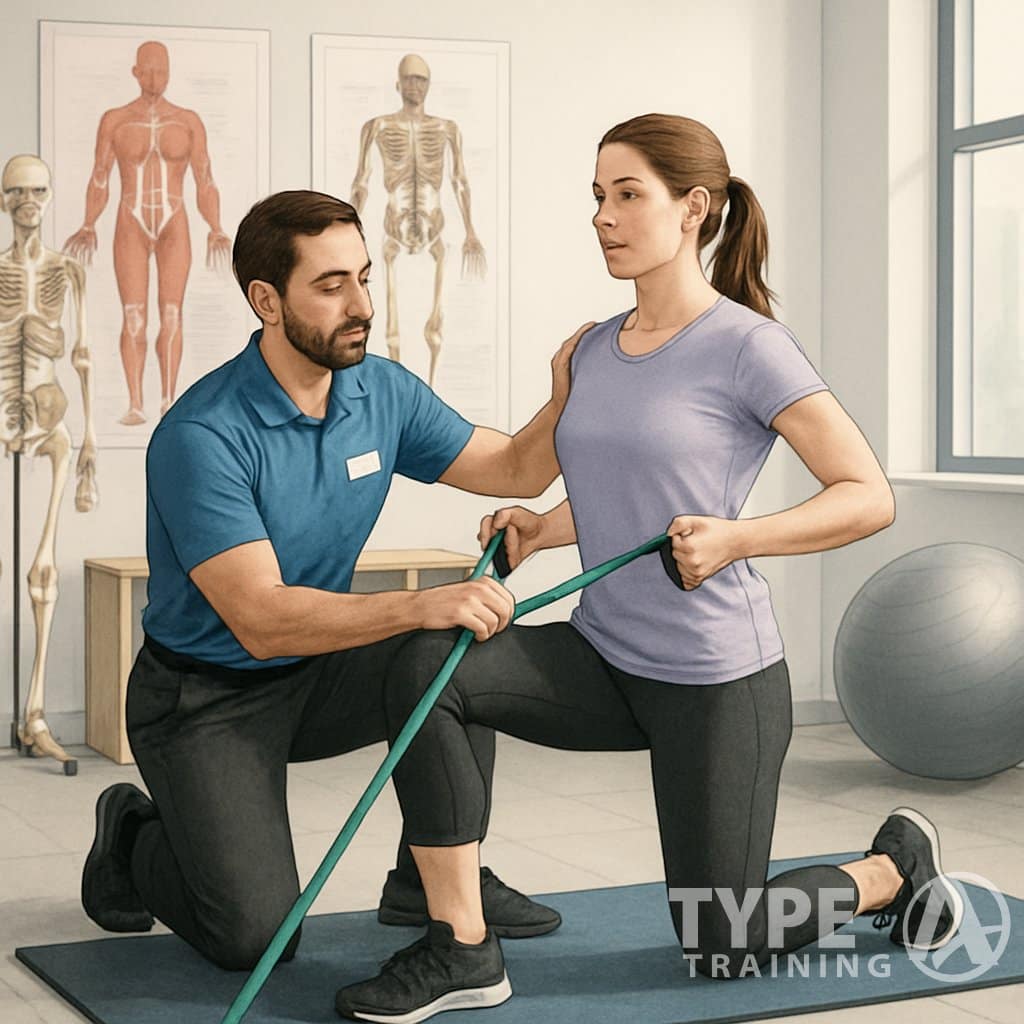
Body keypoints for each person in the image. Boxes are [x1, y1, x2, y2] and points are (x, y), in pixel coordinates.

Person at [334, 114, 964, 1023]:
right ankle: (457, 936)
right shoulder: (594, 349)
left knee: (723, 943)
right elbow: (626, 492)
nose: (604, 215)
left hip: (715, 681)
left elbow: (867, 496)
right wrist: (539, 528)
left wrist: (736, 539)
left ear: (693, 208)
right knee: (432, 662)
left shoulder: (748, 345)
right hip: (605, 658)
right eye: (599, 195)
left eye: (628, 194)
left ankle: (890, 867)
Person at [81, 189, 595, 974]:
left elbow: (514, 468)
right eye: (330, 286)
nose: (361, 306)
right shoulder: (204, 434)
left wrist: (571, 398)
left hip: (319, 672)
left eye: (363, 277)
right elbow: (262, 621)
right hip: (205, 699)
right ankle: (132, 833)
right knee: (256, 940)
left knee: (461, 656)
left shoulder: (379, 391)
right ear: (267, 301)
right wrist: (422, 601)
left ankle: (424, 882)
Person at [64, 40, 232, 425]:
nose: (156, 78)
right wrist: (89, 223)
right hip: (131, 220)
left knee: (171, 314)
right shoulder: (115, 120)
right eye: (149, 70)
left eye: (163, 71)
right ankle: (136, 402)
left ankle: (169, 400)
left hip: (174, 220)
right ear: (135, 72)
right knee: (134, 316)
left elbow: (205, 178)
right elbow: (100, 176)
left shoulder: (188, 121)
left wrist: (216, 226)